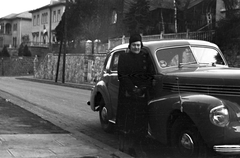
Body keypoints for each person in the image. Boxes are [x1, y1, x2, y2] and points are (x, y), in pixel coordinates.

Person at [116, 34, 153, 157]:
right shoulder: (124, 57)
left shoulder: (145, 57)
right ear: (130, 45)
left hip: (141, 94)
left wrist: (142, 88)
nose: (136, 47)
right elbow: (122, 74)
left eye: (138, 45)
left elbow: (150, 74)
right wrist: (132, 88)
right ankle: (126, 147)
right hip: (128, 94)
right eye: (134, 45)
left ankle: (138, 146)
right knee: (127, 120)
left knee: (140, 122)